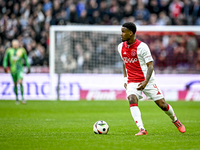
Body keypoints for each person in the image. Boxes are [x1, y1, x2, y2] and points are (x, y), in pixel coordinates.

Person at [118, 22, 185, 135]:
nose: (121, 34)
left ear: (131, 33)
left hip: (147, 80)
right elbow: (124, 63)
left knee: (162, 104)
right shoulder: (120, 47)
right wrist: (125, 79)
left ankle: (175, 120)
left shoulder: (142, 47)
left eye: (123, 32)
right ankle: (142, 129)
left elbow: (150, 66)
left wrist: (146, 81)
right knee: (132, 99)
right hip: (132, 81)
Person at [3, 40, 30, 104]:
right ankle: (17, 98)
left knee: (20, 81)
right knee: (15, 83)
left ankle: (23, 98)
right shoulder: (9, 51)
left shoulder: (22, 50)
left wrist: (28, 67)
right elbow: (5, 59)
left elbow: (26, 59)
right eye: (13, 44)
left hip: (20, 69)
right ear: (12, 44)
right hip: (13, 70)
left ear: (18, 44)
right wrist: (5, 66)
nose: (15, 45)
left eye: (16, 44)